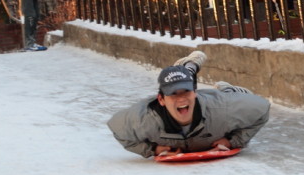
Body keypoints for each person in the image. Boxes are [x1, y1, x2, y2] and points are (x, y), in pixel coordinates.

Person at [107, 51, 271, 159]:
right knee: (180, 84)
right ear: (161, 99)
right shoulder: (143, 120)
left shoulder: (222, 110)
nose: (181, 99)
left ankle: (225, 88)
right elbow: (118, 129)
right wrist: (152, 149)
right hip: (163, 105)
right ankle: (187, 68)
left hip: (219, 100)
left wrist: (233, 141)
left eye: (186, 92)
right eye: (173, 94)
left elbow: (262, 109)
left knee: (242, 97)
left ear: (194, 92)